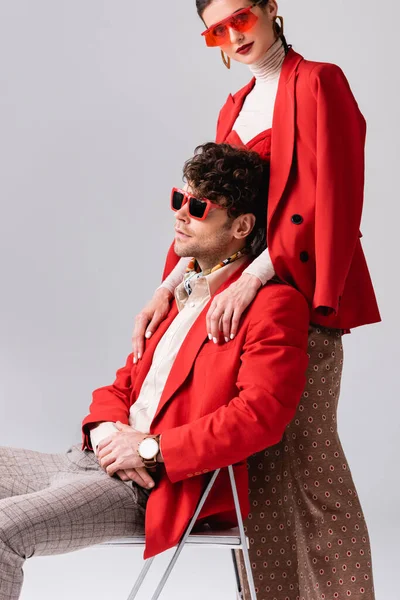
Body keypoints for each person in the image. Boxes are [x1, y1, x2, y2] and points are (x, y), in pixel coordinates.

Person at [131, 2, 380, 599]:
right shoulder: (234, 106)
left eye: (240, 16)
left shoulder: (319, 81)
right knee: (256, 472)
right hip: (238, 302)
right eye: (216, 28)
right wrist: (170, 284)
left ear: (271, 9)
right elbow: (216, 205)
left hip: (296, 292)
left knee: (312, 464)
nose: (232, 36)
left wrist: (255, 276)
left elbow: (333, 195)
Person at [0, 143, 310, 600]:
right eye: (179, 199)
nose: (181, 215)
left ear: (242, 227)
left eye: (199, 207)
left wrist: (148, 449)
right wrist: (110, 437)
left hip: (154, 487)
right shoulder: (177, 294)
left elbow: (260, 416)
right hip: (93, 459)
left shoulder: (273, 306)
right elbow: (121, 384)